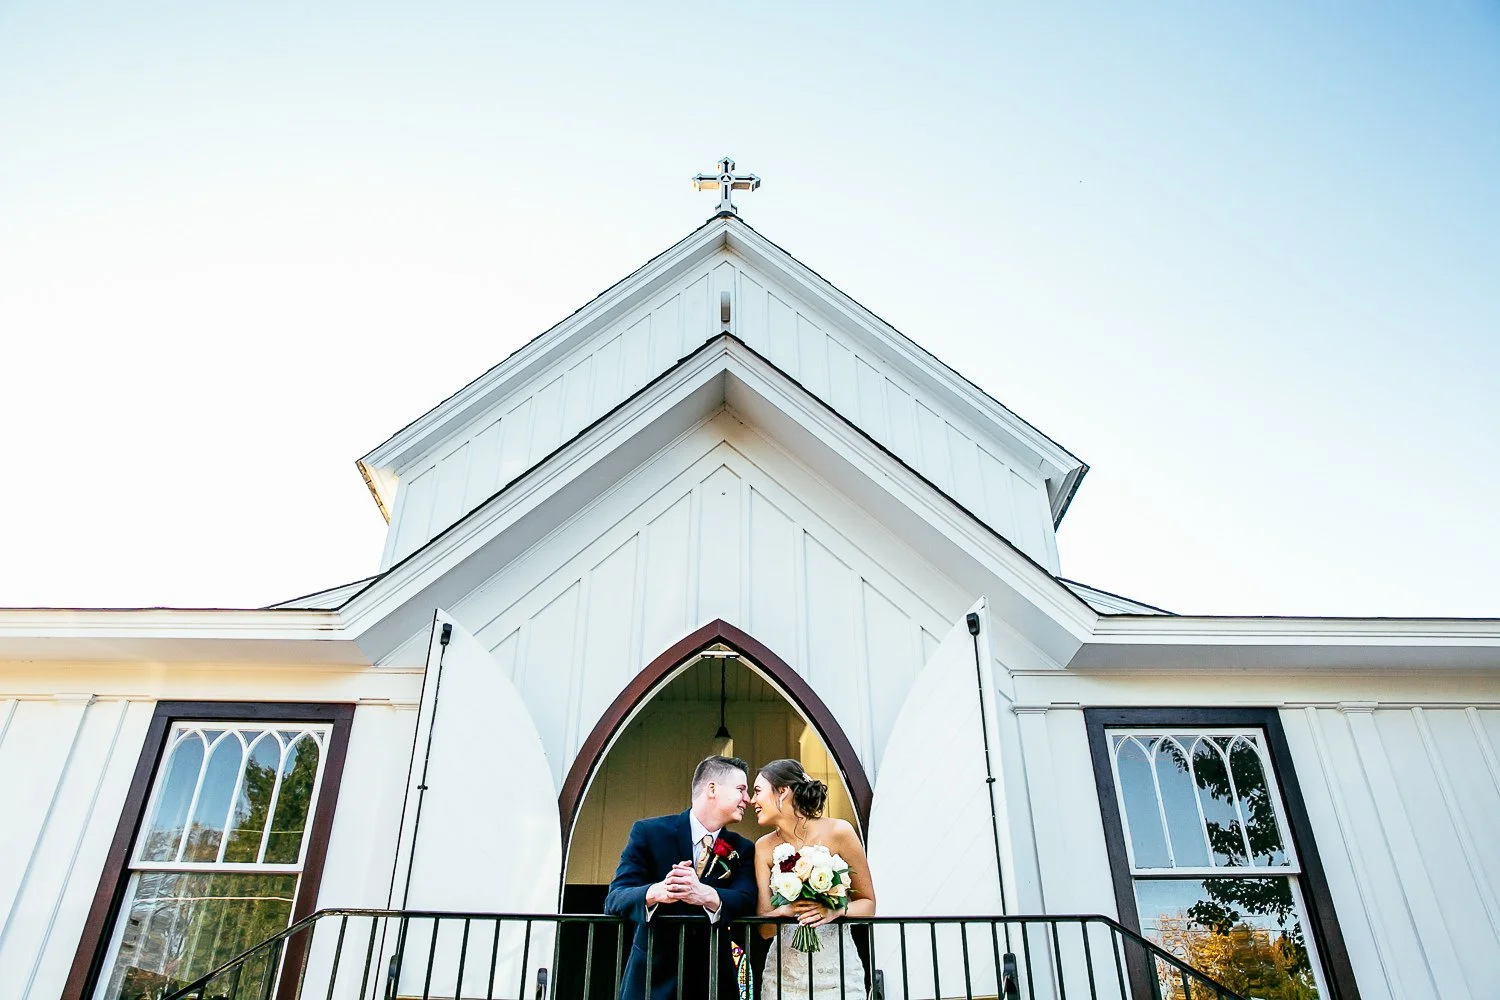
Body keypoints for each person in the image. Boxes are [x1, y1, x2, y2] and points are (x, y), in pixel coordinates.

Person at [605, 755, 760, 1000]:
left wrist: (707, 895)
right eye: (741, 789)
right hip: (651, 981)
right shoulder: (648, 832)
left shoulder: (742, 849)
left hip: (713, 982)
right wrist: (658, 891)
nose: (747, 799)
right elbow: (614, 898)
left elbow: (748, 899)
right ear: (712, 789)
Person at [751, 759, 876, 1000]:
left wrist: (835, 910)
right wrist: (783, 911)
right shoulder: (763, 848)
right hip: (784, 979)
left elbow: (868, 904)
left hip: (837, 974)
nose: (752, 801)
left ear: (783, 791)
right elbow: (765, 930)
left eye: (757, 791)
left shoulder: (840, 832)